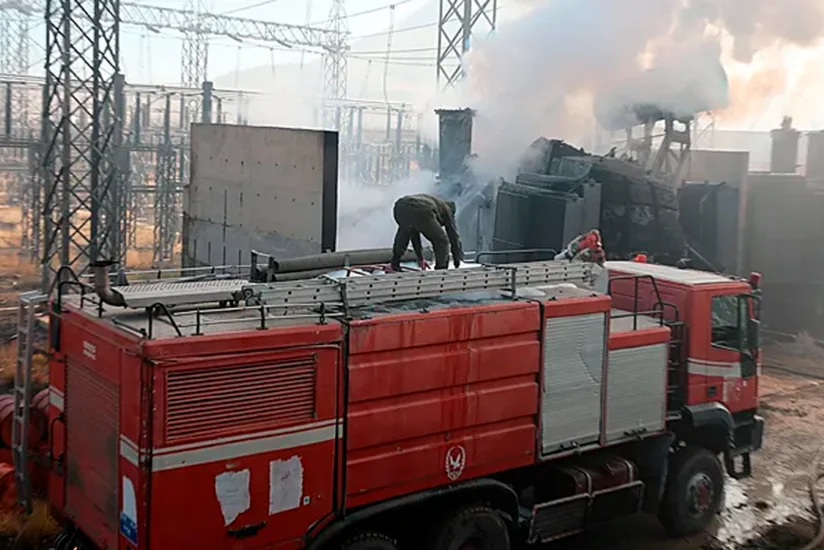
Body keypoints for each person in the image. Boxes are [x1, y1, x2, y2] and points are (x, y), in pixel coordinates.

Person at [390, 194, 463, 271]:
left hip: (400, 206)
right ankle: (441, 270)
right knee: (442, 241)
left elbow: (414, 236)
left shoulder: (437, 204)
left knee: (406, 231)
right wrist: (457, 262)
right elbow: (454, 237)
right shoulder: (448, 211)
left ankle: (395, 262)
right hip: (423, 209)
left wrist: (420, 259)